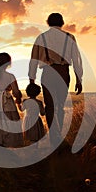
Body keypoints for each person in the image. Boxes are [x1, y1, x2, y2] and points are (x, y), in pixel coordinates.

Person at [28, 13, 83, 146]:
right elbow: (76, 60)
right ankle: (59, 135)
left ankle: (54, 136)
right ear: (62, 22)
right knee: (60, 106)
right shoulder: (70, 37)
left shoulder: (41, 38)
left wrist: (32, 80)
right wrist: (79, 78)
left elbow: (33, 60)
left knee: (50, 106)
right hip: (63, 73)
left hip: (48, 73)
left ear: (48, 22)